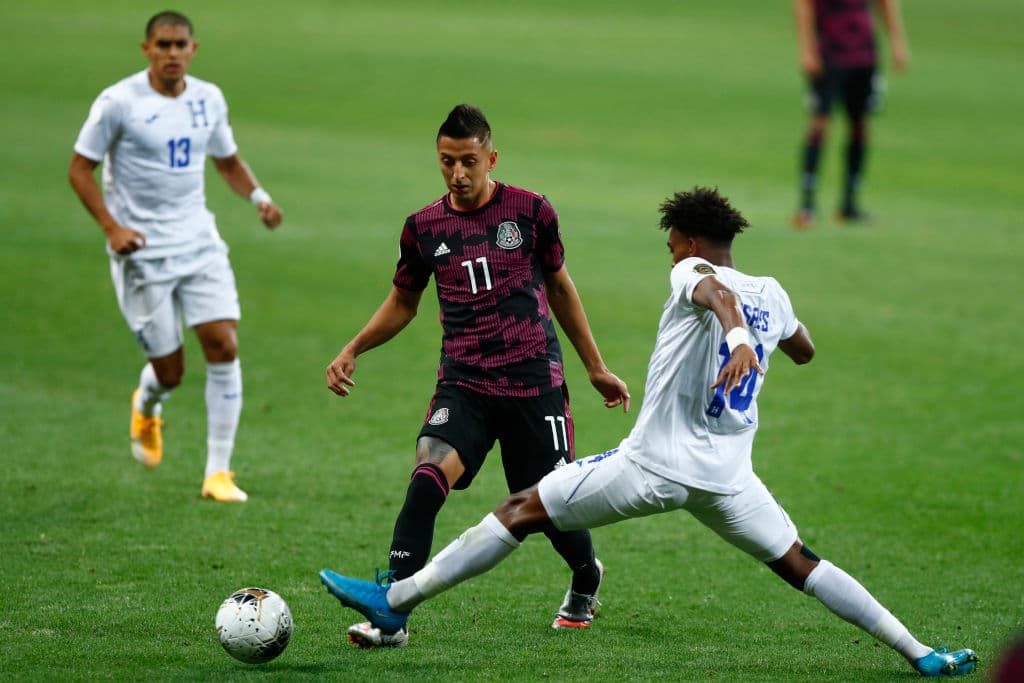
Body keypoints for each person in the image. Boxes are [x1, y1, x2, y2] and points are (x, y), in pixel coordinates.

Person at [320, 187, 977, 677]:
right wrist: (764, 330)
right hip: (729, 480)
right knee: (801, 563)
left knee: (520, 508)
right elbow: (804, 348)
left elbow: (715, 293)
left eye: (671, 244)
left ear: (686, 240)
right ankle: (920, 651)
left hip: (653, 465)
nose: (671, 254)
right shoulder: (773, 292)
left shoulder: (691, 271)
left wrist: (736, 335)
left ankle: (396, 600)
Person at [323, 104, 630, 648]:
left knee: (547, 507)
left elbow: (560, 287)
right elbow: (403, 301)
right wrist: (354, 347)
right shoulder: (423, 227)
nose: (458, 173)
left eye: (468, 161)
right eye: (447, 161)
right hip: (464, 384)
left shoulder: (531, 211)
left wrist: (595, 367)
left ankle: (587, 575)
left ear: (491, 158)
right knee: (426, 477)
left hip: (533, 385)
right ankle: (392, 614)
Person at [68, 11, 283, 502]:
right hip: (143, 252)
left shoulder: (208, 98)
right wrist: (112, 228)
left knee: (224, 345)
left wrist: (259, 198)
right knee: (171, 372)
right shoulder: (119, 102)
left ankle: (218, 473)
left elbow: (226, 160)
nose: (171, 53)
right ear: (146, 48)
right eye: (162, 44)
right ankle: (147, 405)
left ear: (193, 48)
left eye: (180, 44)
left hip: (198, 241)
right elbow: (79, 168)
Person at [792, 0, 909, 229]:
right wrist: (806, 48)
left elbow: (885, 3)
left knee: (861, 125)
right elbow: (803, 5)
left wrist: (897, 41)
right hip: (829, 52)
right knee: (820, 124)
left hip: (864, 53)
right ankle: (807, 204)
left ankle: (849, 204)